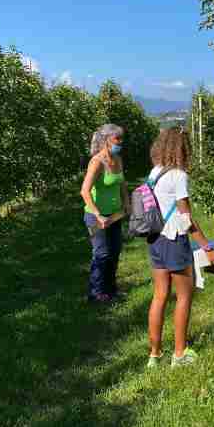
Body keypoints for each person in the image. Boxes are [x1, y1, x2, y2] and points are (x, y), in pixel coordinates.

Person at [146, 128, 214, 368]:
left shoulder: (154, 172)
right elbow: (186, 218)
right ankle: (180, 353)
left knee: (159, 295)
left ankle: (154, 355)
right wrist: (207, 247)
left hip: (154, 238)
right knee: (184, 296)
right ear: (182, 148)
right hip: (174, 240)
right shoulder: (178, 176)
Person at [80, 124, 129, 303]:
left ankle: (111, 289)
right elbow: (84, 191)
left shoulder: (117, 159)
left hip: (115, 215)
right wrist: (98, 214)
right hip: (96, 217)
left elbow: (122, 184)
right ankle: (96, 292)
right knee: (101, 253)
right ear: (106, 140)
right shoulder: (96, 162)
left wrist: (127, 203)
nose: (120, 142)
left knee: (115, 252)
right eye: (117, 139)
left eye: (121, 138)